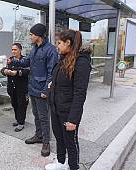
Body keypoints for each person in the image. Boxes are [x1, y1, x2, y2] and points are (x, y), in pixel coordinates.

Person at [8, 23, 58, 157]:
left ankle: (46, 142)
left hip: (42, 89)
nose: (30, 36)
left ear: (38, 35)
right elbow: (26, 62)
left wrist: (46, 91)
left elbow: (51, 73)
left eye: (31, 34)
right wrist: (13, 61)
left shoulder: (50, 50)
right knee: (36, 115)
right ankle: (39, 135)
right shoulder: (34, 48)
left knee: (43, 117)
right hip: (33, 88)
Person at [45, 30, 92, 170]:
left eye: (59, 43)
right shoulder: (63, 58)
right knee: (59, 138)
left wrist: (73, 119)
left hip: (68, 111)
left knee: (70, 141)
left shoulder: (81, 62)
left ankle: (73, 167)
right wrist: (52, 85)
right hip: (56, 107)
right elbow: (61, 80)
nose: (57, 46)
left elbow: (80, 93)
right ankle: (60, 162)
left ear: (68, 43)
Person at [1, 43, 30, 132]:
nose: (13, 51)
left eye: (15, 49)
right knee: (15, 104)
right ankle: (18, 119)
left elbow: (28, 71)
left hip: (22, 87)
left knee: (22, 105)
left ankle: (21, 122)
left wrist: (16, 73)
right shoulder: (9, 60)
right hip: (12, 87)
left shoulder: (25, 60)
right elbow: (2, 69)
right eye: (12, 49)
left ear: (20, 50)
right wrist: (5, 71)